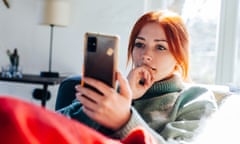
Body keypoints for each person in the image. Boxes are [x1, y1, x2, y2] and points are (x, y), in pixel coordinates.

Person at [58, 10, 218, 143]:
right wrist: (124, 94)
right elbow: (58, 127)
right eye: (140, 44)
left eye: (160, 47)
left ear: (179, 57)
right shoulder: (113, 90)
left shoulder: (195, 98)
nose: (146, 55)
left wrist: (125, 120)